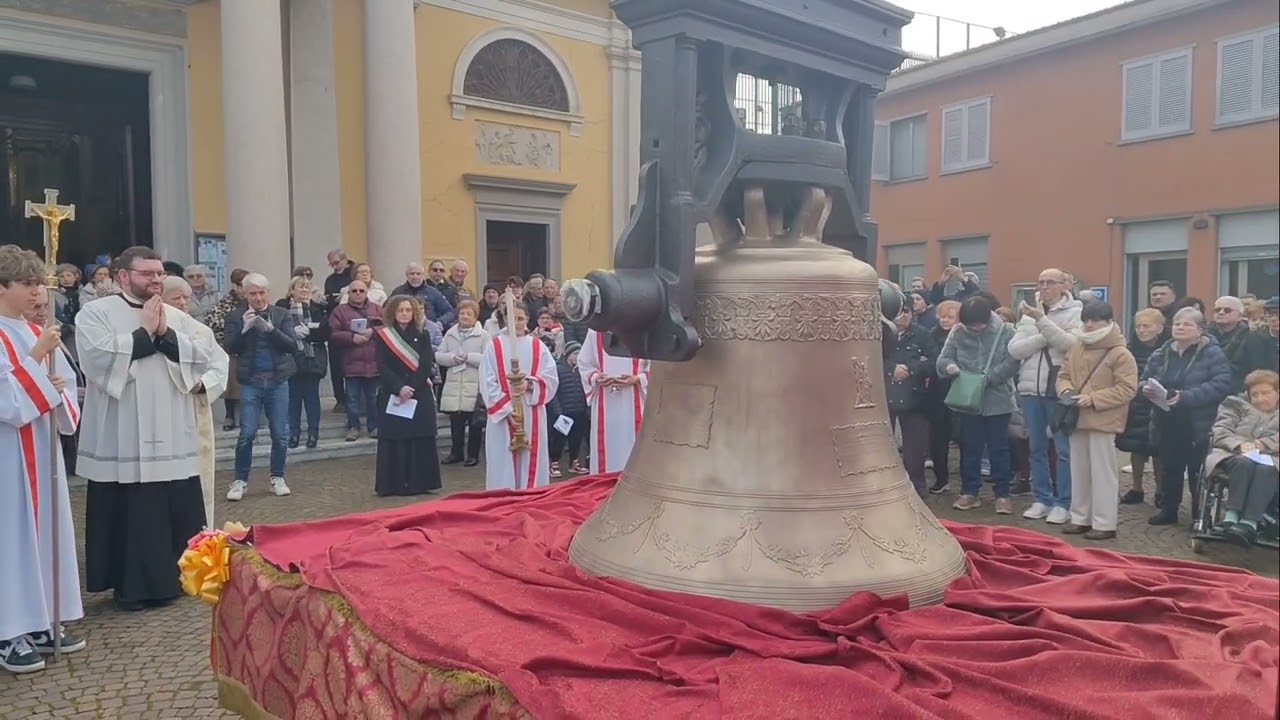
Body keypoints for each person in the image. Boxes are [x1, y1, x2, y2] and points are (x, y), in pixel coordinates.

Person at [76, 246, 216, 611]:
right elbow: (97, 359)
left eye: (158, 274)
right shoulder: (95, 313)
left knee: (173, 504)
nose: (155, 280)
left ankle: (180, 577)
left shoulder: (176, 316)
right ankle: (131, 587)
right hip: (122, 432)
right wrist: (143, 335)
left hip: (172, 428)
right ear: (123, 276)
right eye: (146, 274)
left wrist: (165, 333)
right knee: (131, 511)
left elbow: (202, 358)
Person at [0, 245, 85, 674]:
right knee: (10, 537)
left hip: (40, 448)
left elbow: (67, 389)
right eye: (27, 284)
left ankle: (42, 619)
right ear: (2, 287)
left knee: (46, 532)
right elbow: (6, 401)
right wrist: (36, 368)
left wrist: (55, 391)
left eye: (39, 284)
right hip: (6, 456)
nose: (38, 293)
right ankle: (8, 629)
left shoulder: (38, 333)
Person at [1141, 307, 1233, 525]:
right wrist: (1145, 389)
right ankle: (1168, 509)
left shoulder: (1212, 352)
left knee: (1197, 470)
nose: (1180, 327)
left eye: (1187, 324)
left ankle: (1198, 514)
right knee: (1170, 467)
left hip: (1197, 421)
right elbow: (1145, 378)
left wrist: (1186, 397)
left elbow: (1221, 384)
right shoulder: (1161, 353)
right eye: (1177, 323)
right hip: (1166, 418)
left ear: (1200, 330)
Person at [1056, 302, 1138, 541]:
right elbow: (1063, 376)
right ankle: (1080, 517)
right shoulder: (1077, 347)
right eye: (1087, 319)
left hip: (1103, 418)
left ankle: (1105, 522)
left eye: (1096, 319)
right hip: (1077, 416)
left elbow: (1126, 389)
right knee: (1079, 470)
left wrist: (1092, 399)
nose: (1090, 324)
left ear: (1108, 321)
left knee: (1103, 473)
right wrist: (1067, 391)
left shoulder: (1120, 353)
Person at [1007, 268, 1082, 525]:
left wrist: (1042, 323)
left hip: (1058, 390)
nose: (1044, 286)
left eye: (1050, 282)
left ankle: (1064, 501)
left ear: (1065, 285)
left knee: (1063, 450)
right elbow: (1015, 350)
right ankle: (1042, 498)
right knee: (1035, 447)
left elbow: (1070, 345)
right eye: (1040, 282)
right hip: (1030, 390)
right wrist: (1044, 332)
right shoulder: (1029, 315)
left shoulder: (1077, 312)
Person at [937, 295, 1020, 513]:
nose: (974, 329)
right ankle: (969, 492)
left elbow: (1012, 364)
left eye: (978, 325)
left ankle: (1003, 494)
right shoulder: (957, 332)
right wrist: (950, 368)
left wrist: (988, 379)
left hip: (998, 399)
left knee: (999, 448)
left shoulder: (1006, 332)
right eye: (969, 326)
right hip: (968, 401)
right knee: (970, 447)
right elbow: (943, 359)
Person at [221, 273, 298, 502]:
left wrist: (271, 330)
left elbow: (292, 346)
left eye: (261, 292)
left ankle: (277, 477)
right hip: (251, 382)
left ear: (268, 292)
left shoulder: (281, 314)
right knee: (246, 433)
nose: (257, 297)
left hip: (277, 381)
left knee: (280, 433)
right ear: (245, 293)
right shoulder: (235, 316)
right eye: (252, 293)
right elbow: (230, 347)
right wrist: (245, 328)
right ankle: (240, 481)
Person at [161, 276, 230, 526]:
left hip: (194, 409)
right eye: (175, 297)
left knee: (200, 476)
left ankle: (201, 532)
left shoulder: (201, 331)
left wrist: (203, 384)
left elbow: (220, 365)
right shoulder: (150, 330)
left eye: (186, 298)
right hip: (162, 414)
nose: (182, 303)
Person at [480, 300, 559, 491]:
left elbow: (550, 377)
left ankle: (531, 495)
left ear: (528, 319)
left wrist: (530, 383)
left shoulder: (538, 346)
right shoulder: (494, 346)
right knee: (503, 458)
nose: (517, 322)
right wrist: (507, 410)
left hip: (531, 409)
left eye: (521, 318)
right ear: (505, 319)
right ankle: (503, 498)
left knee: (531, 456)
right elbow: (486, 380)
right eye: (513, 318)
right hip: (503, 413)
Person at [373, 295, 443, 496]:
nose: (404, 314)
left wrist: (411, 386)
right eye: (400, 310)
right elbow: (382, 365)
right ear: (393, 313)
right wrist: (399, 387)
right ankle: (393, 484)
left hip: (418, 393)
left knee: (419, 437)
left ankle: (419, 483)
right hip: (393, 394)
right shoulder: (384, 335)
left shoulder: (423, 335)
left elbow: (426, 364)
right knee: (395, 438)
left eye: (408, 310)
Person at [1204, 370, 1279, 547]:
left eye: (1266, 393)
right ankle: (1231, 516)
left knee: (1267, 469)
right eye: (1255, 395)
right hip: (1233, 454)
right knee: (1243, 462)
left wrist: (1264, 444)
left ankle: (1249, 523)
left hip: (1272, 458)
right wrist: (1239, 445)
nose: (1260, 398)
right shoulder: (1234, 405)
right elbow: (1221, 430)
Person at [578, 328, 649, 474]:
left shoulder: (643, 327)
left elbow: (656, 364)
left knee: (634, 443)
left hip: (634, 397)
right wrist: (596, 377)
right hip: (605, 397)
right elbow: (584, 362)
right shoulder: (596, 331)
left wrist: (638, 378)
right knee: (607, 445)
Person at [884, 304, 937, 494]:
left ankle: (917, 486)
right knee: (882, 445)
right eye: (897, 312)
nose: (900, 317)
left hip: (915, 397)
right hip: (885, 396)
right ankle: (885, 486)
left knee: (915, 447)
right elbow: (871, 357)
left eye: (905, 312)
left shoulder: (923, 334)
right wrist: (891, 369)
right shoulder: (880, 332)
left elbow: (933, 362)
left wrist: (909, 369)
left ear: (912, 314)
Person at [1117, 308, 1166, 504]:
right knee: (1136, 447)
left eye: (1147, 326)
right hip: (1135, 404)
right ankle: (1136, 488)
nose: (1142, 330)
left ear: (1160, 328)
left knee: (1159, 450)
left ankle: (1161, 490)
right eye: (1138, 326)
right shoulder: (1129, 349)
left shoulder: (1167, 349)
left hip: (1159, 404)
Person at [275, 276, 329, 449]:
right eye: (301, 287)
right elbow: (276, 329)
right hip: (291, 357)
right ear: (292, 290)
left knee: (312, 398)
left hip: (312, 357)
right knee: (293, 399)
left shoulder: (317, 308)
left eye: (307, 287)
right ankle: (294, 434)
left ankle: (313, 434)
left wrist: (310, 333)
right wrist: (292, 332)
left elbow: (325, 331)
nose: (305, 290)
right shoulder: (281, 306)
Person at [329, 279, 384, 441]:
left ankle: (374, 427)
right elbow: (333, 333)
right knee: (351, 399)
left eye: (361, 290)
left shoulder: (377, 309)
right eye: (354, 291)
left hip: (373, 362)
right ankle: (353, 427)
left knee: (373, 398)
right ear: (349, 293)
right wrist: (352, 338)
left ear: (367, 292)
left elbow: (388, 327)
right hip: (351, 362)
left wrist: (372, 332)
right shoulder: (340, 311)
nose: (358, 294)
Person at [436, 299, 488, 466]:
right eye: (462, 313)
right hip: (455, 383)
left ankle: (473, 455)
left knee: (474, 424)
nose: (465, 317)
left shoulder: (484, 336)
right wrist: (453, 358)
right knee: (456, 423)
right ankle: (456, 452)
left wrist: (469, 357)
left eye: (468, 314)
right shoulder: (450, 334)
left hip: (474, 383)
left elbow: (489, 359)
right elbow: (439, 356)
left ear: (475, 317)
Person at [548, 340, 589, 477]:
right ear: (568, 354)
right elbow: (553, 393)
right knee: (558, 439)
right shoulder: (558, 370)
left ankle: (574, 462)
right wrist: (558, 412)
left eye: (580, 353)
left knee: (576, 439)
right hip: (563, 413)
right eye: (575, 353)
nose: (578, 356)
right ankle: (554, 463)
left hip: (579, 412)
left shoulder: (582, 371)